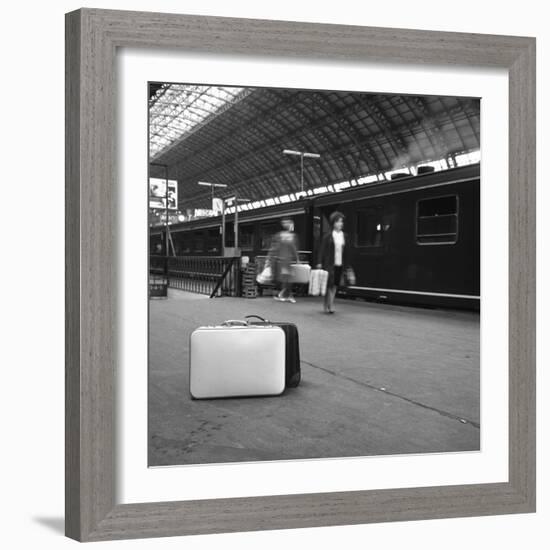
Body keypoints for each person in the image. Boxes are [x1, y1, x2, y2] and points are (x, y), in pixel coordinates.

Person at [316, 211, 353, 313]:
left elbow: (347, 251)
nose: (341, 224)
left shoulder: (344, 236)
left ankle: (329, 304)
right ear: (333, 223)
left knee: (335, 285)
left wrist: (348, 265)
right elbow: (322, 250)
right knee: (329, 285)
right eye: (338, 222)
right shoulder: (327, 236)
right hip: (329, 264)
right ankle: (329, 306)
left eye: (341, 222)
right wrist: (319, 262)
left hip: (340, 264)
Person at [268, 217, 299, 303]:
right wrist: (297, 259)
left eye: (287, 223)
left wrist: (297, 258)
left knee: (287, 279)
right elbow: (293, 248)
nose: (286, 224)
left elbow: (293, 248)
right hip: (284, 260)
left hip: (285, 261)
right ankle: (286, 295)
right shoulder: (290, 236)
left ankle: (285, 295)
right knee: (286, 279)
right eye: (284, 223)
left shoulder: (281, 235)